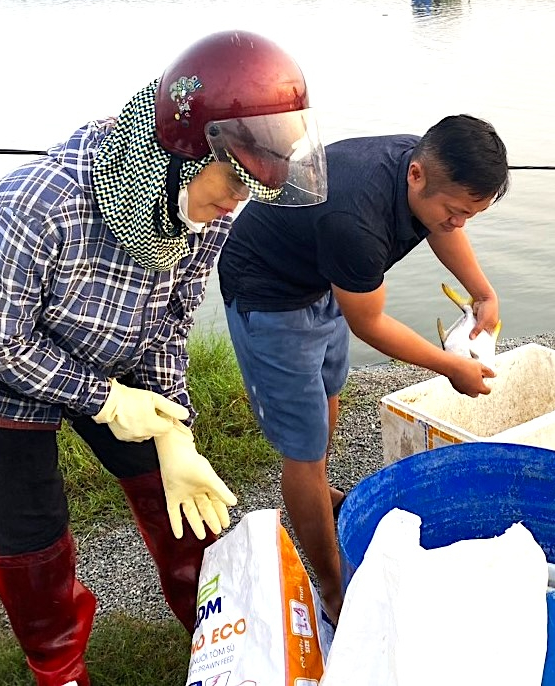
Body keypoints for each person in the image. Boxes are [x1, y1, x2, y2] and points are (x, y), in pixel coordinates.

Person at [0, 29, 328, 686]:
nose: (235, 202)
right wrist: (108, 400)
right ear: (179, 154)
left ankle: (217, 637)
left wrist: (175, 431)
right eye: (232, 181)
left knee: (180, 500)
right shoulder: (35, 202)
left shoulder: (209, 203)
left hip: (114, 352)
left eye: (250, 188)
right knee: (33, 537)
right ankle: (58, 668)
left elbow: (168, 324)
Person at [217, 114, 510, 619]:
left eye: (470, 214)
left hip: (322, 277)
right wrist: (451, 367)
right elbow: (370, 324)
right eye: (455, 211)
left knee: (329, 394)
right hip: (268, 295)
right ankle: (332, 589)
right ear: (415, 175)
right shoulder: (355, 217)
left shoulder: (418, 165)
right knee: (302, 449)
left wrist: (483, 292)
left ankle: (319, 493)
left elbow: (439, 226)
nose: (458, 223)